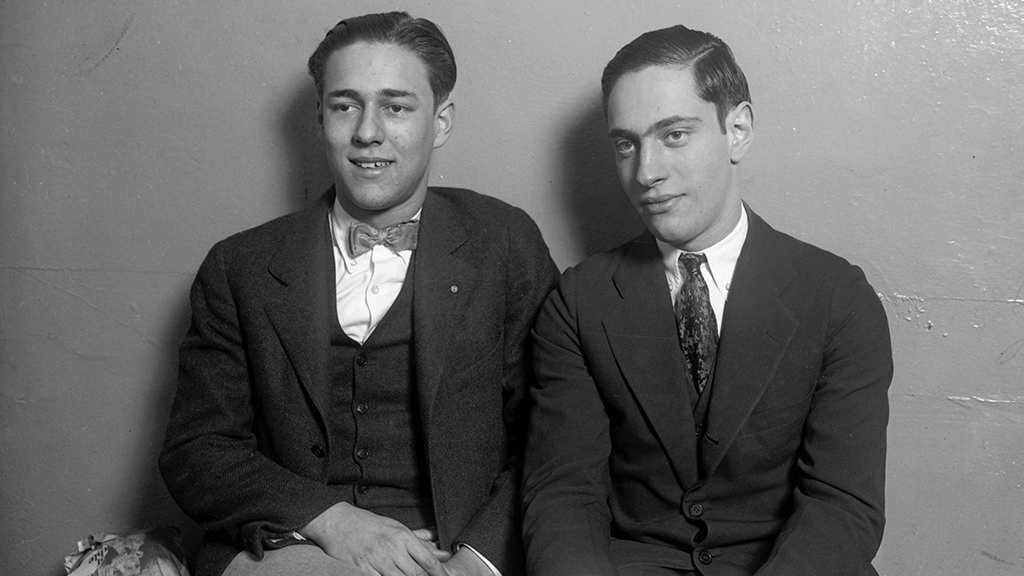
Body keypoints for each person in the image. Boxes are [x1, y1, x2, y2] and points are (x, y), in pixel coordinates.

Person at [160, 12, 557, 576]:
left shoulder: (505, 242)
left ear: (441, 122)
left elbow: (552, 437)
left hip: (456, 550)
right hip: (289, 548)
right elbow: (196, 452)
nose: (368, 131)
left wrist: (478, 560)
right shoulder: (239, 266)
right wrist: (334, 522)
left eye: (396, 107)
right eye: (346, 105)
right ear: (320, 117)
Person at [521, 24, 892, 576]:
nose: (647, 172)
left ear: (737, 129)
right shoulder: (578, 302)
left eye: (674, 135)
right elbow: (564, 496)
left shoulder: (837, 298)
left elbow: (842, 506)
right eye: (626, 143)